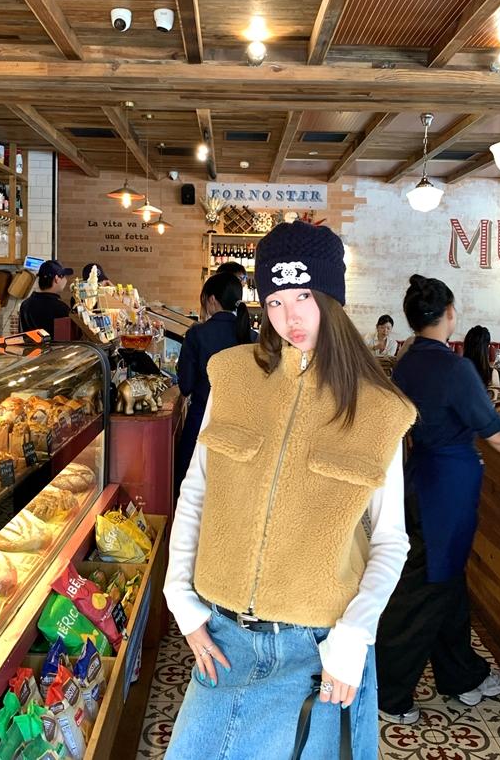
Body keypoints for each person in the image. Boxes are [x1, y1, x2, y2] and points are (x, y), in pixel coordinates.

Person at [163, 221, 416, 759]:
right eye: (275, 301)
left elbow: (391, 540)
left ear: (332, 299)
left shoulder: (379, 408)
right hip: (225, 639)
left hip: (320, 650)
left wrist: (354, 635)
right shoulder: (232, 378)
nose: (289, 317)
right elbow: (196, 490)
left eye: (304, 297)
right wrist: (179, 598)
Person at [376, 274, 500, 726]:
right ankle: (389, 690)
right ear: (449, 313)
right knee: (424, 589)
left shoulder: (408, 361)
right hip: (446, 488)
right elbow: (494, 429)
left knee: (446, 579)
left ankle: (461, 676)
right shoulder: (455, 369)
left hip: (421, 477)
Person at [175, 272, 256, 493]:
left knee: (193, 487)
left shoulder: (197, 334)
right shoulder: (252, 337)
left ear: (211, 300)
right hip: (242, 426)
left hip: (202, 421)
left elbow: (186, 386)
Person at [18, 259, 72, 339]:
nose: (66, 280)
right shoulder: (61, 308)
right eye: (64, 276)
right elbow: (64, 340)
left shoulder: (25, 304)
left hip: (30, 347)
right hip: (53, 348)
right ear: (57, 278)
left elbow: (22, 336)